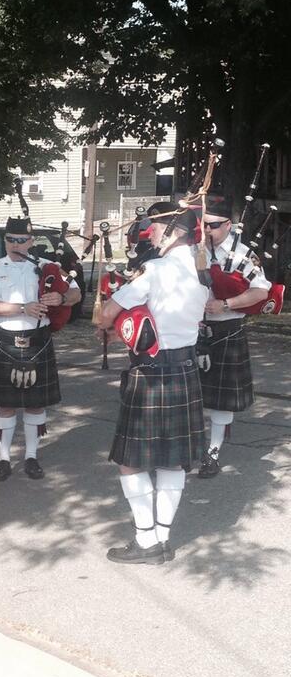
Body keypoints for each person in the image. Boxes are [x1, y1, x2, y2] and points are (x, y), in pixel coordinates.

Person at [100, 208, 208, 564]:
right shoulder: (201, 274)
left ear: (175, 233)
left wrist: (110, 301)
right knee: (172, 462)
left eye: (159, 227)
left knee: (130, 461)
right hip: (185, 370)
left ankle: (146, 541)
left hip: (150, 373)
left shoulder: (156, 271)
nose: (153, 232)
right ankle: (162, 539)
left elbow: (105, 316)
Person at [0, 216, 81, 481]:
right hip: (6, 341)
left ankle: (32, 457)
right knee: (5, 406)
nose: (16, 245)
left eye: (22, 241)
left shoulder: (48, 267)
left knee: (35, 406)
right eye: (11, 240)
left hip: (39, 339)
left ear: (31, 241)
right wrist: (22, 308)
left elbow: (76, 294)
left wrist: (60, 297)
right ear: (5, 240)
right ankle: (3, 460)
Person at [197, 198, 270, 478]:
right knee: (193, 394)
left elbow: (261, 292)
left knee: (219, 399)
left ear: (229, 225)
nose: (207, 230)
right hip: (194, 329)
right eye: (204, 225)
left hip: (227, 329)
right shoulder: (194, 250)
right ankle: (190, 445)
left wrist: (226, 304)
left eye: (213, 225)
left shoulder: (243, 255)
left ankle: (212, 452)